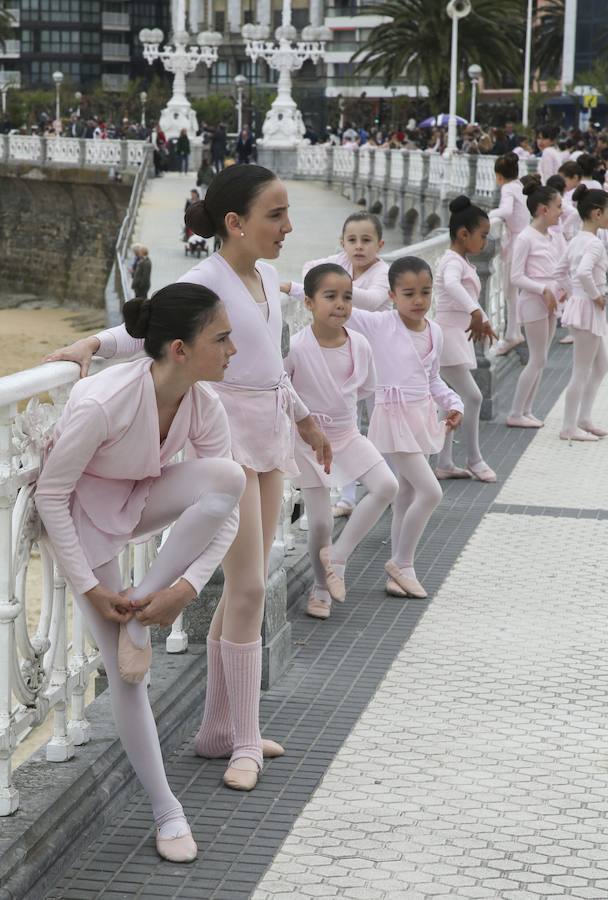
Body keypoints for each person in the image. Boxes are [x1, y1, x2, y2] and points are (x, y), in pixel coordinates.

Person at [43, 164, 331, 794]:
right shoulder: (206, 277)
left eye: (286, 214)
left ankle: (224, 727)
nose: (288, 227)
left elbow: (274, 366)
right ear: (235, 223)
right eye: (275, 215)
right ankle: (242, 737)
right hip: (224, 435)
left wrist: (306, 423)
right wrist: (92, 341)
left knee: (246, 590)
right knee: (251, 588)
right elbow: (153, 328)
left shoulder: (267, 279)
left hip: (269, 434)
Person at [36, 283, 246, 863]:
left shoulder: (204, 403)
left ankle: (141, 607)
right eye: (222, 338)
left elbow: (223, 511)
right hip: (84, 518)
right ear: (179, 348)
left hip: (139, 497)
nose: (234, 349)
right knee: (127, 678)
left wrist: (180, 590)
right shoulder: (103, 401)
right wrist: (94, 589)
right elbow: (52, 497)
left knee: (229, 478)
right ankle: (166, 810)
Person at [344, 256, 464, 599]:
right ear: (392, 295)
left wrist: (454, 404)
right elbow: (339, 305)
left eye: (425, 292)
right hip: (392, 419)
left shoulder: (434, 331)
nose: (418, 300)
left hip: (421, 419)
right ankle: (404, 564)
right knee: (431, 492)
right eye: (408, 293)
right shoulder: (381, 324)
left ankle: (396, 574)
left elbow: (432, 380)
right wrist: (294, 289)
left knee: (407, 496)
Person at [284, 263, 398, 620]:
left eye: (347, 297)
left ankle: (338, 557)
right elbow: (283, 394)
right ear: (308, 302)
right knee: (320, 522)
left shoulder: (360, 345)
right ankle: (320, 590)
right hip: (309, 442)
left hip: (347, 434)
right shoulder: (297, 349)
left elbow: (365, 390)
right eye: (330, 296)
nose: (340, 304)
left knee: (386, 486)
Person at [282, 211, 391, 518]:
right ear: (341, 243)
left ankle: (373, 481)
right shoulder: (343, 264)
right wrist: (306, 285)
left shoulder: (382, 272)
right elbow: (311, 271)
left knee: (370, 422)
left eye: (366, 241)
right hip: (332, 349)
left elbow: (371, 299)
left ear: (380, 245)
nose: (358, 247)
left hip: (368, 354)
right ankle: (347, 494)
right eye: (351, 241)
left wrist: (334, 288)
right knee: (344, 421)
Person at [434, 197, 498, 482]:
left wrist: (482, 317)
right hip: (446, 337)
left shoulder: (460, 261)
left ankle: (445, 462)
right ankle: (473, 458)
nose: (485, 242)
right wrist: (476, 312)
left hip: (453, 337)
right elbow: (450, 284)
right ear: (463, 234)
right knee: (472, 397)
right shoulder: (451, 262)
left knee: (451, 402)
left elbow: (467, 297)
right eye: (482, 235)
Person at [507, 177, 569, 428]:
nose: (561, 212)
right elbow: (516, 276)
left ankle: (527, 409)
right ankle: (515, 412)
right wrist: (542, 288)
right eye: (558, 207)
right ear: (544, 209)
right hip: (534, 301)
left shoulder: (553, 236)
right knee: (537, 358)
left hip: (551, 301)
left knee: (541, 358)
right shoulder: (525, 237)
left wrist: (562, 289)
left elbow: (559, 268)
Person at [560, 185, 608, 441]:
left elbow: (561, 272)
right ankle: (569, 426)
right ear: (597, 214)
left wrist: (575, 293)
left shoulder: (577, 239)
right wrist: (594, 295)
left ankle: (584, 418)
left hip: (582, 306)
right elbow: (581, 273)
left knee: (601, 365)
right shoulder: (595, 244)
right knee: (581, 371)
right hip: (588, 309)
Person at [489, 153, 529, 355]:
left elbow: (505, 211)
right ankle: (514, 331)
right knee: (513, 290)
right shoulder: (520, 186)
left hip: (516, 242)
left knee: (509, 289)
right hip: (522, 237)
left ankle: (513, 334)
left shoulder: (507, 188)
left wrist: (489, 215)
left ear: (499, 176)